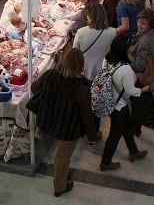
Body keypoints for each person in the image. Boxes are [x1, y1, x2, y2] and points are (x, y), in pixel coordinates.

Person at [30, 48, 101, 196]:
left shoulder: (50, 75)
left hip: (48, 122)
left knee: (60, 157)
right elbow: (87, 115)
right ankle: (60, 187)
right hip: (68, 129)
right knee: (63, 157)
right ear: (81, 65)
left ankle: (61, 177)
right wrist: (92, 135)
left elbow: (34, 88)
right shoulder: (81, 87)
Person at [99, 34, 149, 171]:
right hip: (120, 106)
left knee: (126, 128)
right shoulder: (126, 70)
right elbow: (130, 90)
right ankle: (105, 162)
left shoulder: (107, 60)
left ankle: (133, 152)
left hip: (110, 100)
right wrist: (143, 90)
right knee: (114, 135)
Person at [128, 8, 154, 134]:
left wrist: (128, 58)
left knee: (137, 101)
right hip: (153, 73)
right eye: (139, 22)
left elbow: (139, 66)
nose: (139, 25)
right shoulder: (153, 34)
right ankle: (151, 120)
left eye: (143, 24)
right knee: (147, 97)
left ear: (150, 25)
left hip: (142, 75)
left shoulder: (144, 41)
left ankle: (136, 127)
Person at [73, 2, 116, 83]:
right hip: (104, 72)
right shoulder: (113, 32)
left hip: (84, 71)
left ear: (90, 17)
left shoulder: (81, 32)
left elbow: (75, 52)